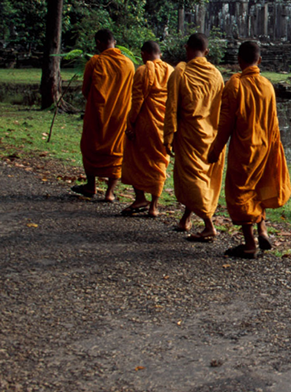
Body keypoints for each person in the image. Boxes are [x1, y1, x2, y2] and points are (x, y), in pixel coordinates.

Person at [208, 41, 291, 260]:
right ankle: (262, 230)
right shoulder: (267, 85)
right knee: (258, 188)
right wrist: (275, 149)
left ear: (239, 60)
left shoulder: (235, 86)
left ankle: (249, 244)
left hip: (245, 149)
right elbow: (273, 122)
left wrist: (215, 149)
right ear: (259, 61)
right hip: (265, 147)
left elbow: (225, 123)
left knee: (241, 193)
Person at [164, 33, 225, 242]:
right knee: (199, 177)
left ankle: (209, 225)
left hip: (189, 134)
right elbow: (220, 108)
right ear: (207, 52)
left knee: (193, 178)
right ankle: (185, 219)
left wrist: (168, 136)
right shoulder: (217, 75)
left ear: (186, 48)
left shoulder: (180, 72)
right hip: (210, 134)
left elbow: (171, 107)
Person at [73, 29, 135, 202]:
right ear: (114, 42)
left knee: (90, 147)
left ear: (99, 42)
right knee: (116, 151)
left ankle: (91, 185)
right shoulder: (128, 64)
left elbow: (86, 89)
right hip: (120, 114)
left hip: (97, 113)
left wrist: (97, 102)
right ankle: (110, 192)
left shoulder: (95, 62)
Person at [119, 41, 174, 218]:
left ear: (143, 54)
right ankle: (154, 206)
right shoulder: (172, 72)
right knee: (159, 163)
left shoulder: (143, 71)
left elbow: (137, 101)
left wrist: (131, 122)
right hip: (163, 125)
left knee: (137, 160)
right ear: (160, 53)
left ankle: (140, 197)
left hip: (144, 124)